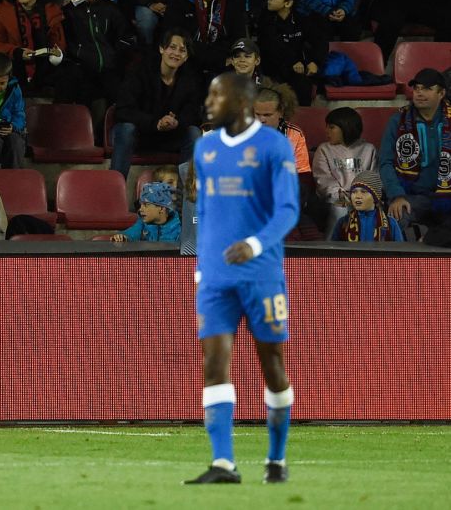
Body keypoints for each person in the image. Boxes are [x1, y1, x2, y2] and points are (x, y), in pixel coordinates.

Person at [186, 71, 298, 485]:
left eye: (217, 95)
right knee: (213, 361)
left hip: (261, 273)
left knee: (272, 364)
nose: (209, 102)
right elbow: (210, 211)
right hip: (215, 276)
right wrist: (203, 264)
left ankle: (276, 458)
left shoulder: (274, 145)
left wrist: (254, 244)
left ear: (242, 100)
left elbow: (287, 210)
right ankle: (223, 464)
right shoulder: (206, 147)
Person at [110, 29, 202, 180]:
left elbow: (193, 113)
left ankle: (187, 198)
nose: (176, 53)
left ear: (186, 57)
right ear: (161, 49)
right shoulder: (140, 71)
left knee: (194, 134)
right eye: (172, 47)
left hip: (169, 135)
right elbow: (123, 110)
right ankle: (114, 191)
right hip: (140, 134)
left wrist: (177, 122)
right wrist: (156, 123)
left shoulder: (190, 80)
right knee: (125, 129)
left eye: (182, 50)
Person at [379, 68, 451, 236]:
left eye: (427, 88)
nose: (419, 93)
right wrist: (396, 195)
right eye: (417, 88)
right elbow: (385, 162)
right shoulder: (398, 120)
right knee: (395, 218)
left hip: (447, 195)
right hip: (412, 196)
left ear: (441, 93)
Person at [56, 0, 125, 124]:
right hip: (81, 67)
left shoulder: (111, 10)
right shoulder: (67, 12)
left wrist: (114, 56)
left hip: (109, 69)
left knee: (117, 89)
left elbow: (127, 37)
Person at [163, 0, 244, 78]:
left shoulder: (232, 4)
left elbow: (238, 40)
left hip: (221, 71)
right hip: (184, 66)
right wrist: (215, 58)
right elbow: (173, 38)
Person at [313, 106, 377, 236]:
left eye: (331, 127)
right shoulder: (324, 149)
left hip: (362, 197)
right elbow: (323, 180)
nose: (326, 131)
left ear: (346, 128)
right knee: (340, 210)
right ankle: (330, 249)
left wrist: (361, 196)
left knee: (369, 211)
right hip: (334, 199)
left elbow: (373, 178)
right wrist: (340, 195)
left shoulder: (368, 149)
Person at [258, 0, 323, 106]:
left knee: (304, 84)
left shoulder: (302, 19)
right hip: (271, 69)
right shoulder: (265, 18)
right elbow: (272, 44)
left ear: (288, 3)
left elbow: (320, 41)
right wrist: (293, 61)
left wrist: (315, 62)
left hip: (296, 70)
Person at [330, 170, 405, 242]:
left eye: (363, 192)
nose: (358, 196)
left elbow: (399, 252)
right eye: (354, 192)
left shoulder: (390, 223)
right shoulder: (343, 223)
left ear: (375, 197)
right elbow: (333, 252)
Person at [111, 181, 181, 242]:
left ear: (162, 208)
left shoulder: (180, 228)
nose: (140, 209)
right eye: (141, 205)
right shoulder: (142, 224)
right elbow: (130, 233)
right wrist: (122, 236)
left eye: (146, 205)